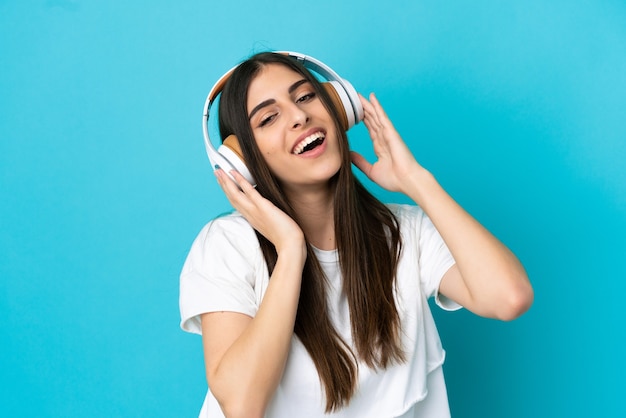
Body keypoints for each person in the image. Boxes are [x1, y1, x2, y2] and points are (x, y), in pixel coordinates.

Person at [179, 51, 534, 418]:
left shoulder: (402, 232)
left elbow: (509, 297)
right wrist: (290, 251)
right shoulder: (227, 245)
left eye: (305, 97)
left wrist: (417, 182)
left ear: (340, 107)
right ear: (242, 162)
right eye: (269, 118)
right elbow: (242, 405)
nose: (300, 116)